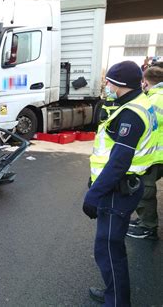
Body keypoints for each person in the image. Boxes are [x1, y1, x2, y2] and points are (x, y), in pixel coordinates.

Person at [83, 61, 158, 306]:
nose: (106, 85)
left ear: (120, 84)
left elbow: (118, 162)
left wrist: (94, 194)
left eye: (109, 81)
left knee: (108, 249)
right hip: (122, 186)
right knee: (110, 247)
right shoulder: (134, 103)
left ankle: (116, 302)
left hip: (119, 190)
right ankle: (113, 294)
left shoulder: (131, 114)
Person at [126, 64, 163, 240]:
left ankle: (148, 227)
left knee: (144, 189)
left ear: (145, 82)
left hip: (154, 154)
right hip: (157, 154)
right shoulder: (157, 97)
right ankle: (144, 220)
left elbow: (145, 126)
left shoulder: (155, 100)